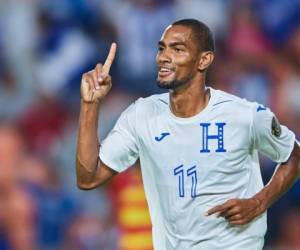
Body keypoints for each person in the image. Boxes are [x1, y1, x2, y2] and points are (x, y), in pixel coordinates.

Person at [76, 19, 300, 250]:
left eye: (178, 49)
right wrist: (90, 105)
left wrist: (259, 202)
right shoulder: (141, 116)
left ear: (204, 60)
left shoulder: (244, 116)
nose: (163, 57)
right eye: (161, 48)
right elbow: (88, 177)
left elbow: (293, 154)